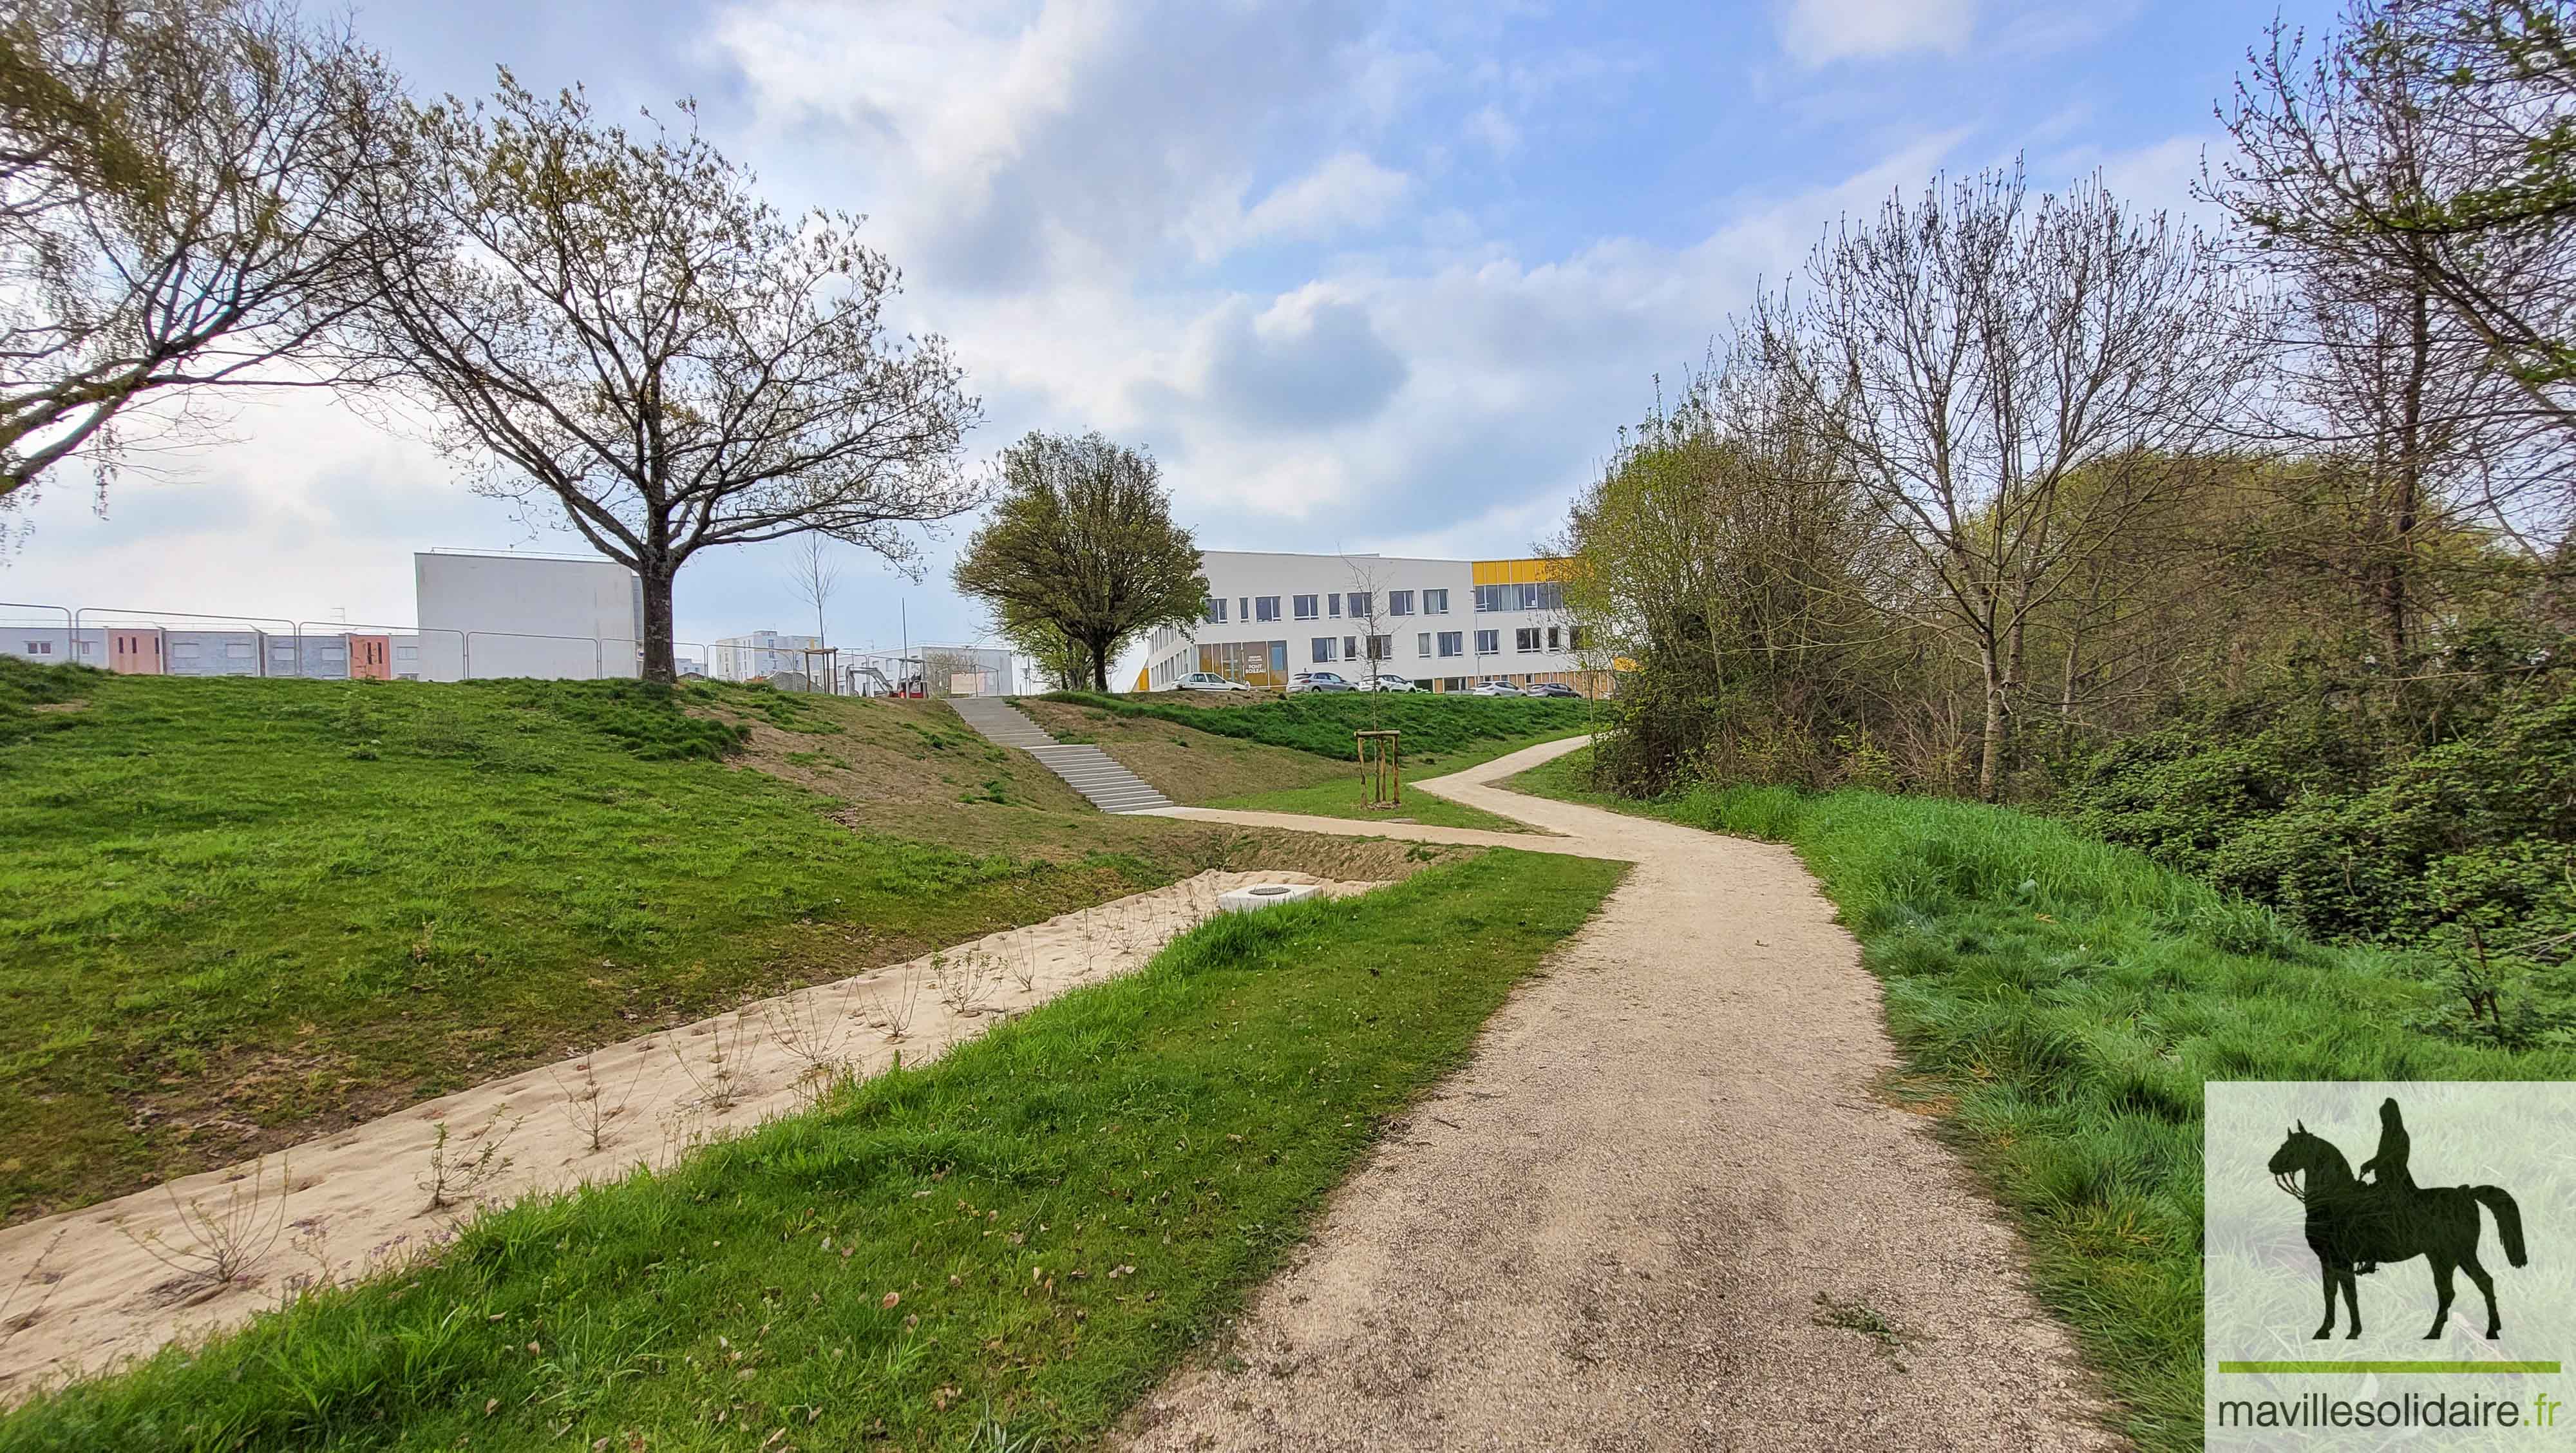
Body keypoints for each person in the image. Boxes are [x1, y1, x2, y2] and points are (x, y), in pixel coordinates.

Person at [2353, 1097, 2412, 1274]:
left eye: (2385, 1118)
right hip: (2385, 1180)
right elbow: (2382, 1156)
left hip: (2396, 1181)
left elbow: (2393, 1158)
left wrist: (2373, 1163)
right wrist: (2371, 1163)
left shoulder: (2400, 1135)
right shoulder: (2387, 1134)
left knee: (2378, 1212)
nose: (2383, 1121)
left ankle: (2374, 1254)